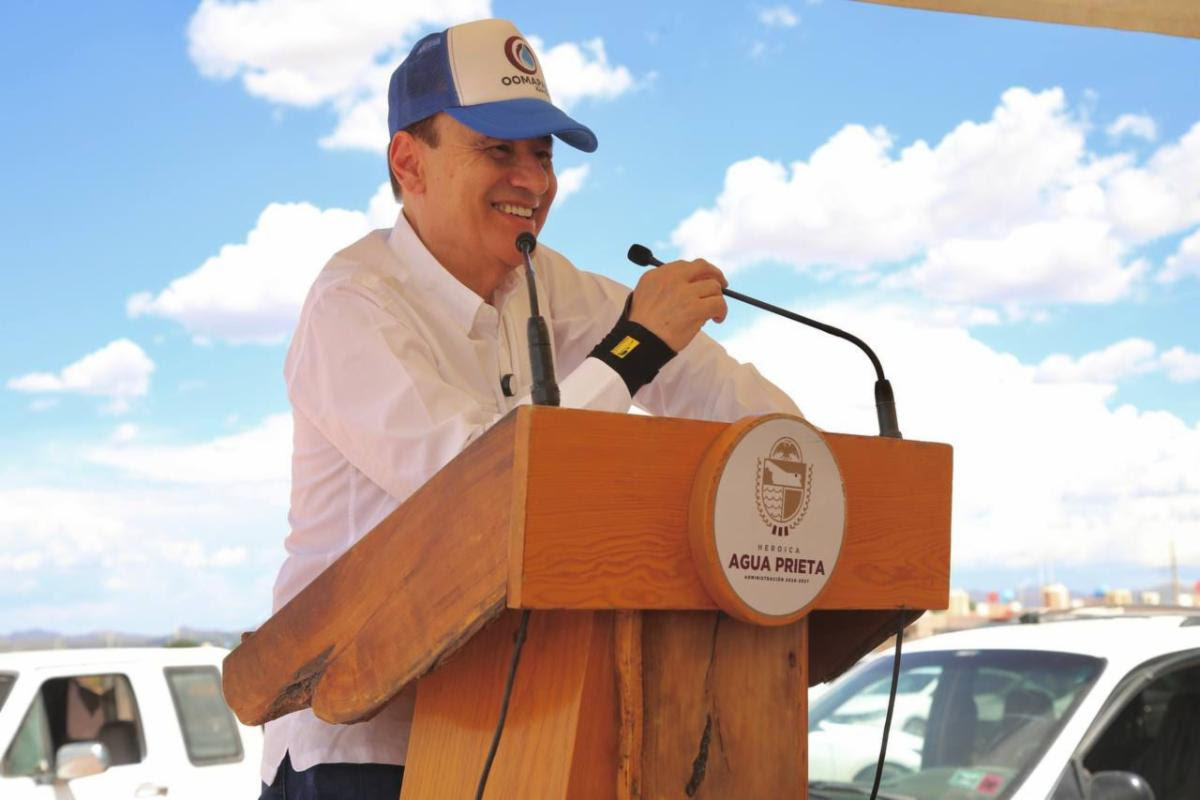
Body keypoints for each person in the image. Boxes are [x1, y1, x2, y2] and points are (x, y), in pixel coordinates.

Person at [259, 17, 800, 800]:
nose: (533, 182)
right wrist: (634, 349)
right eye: (498, 150)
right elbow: (477, 490)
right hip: (362, 743)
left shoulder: (544, 280)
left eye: (543, 155)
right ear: (409, 162)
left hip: (511, 736)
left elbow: (705, 382)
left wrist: (809, 470)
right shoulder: (353, 303)